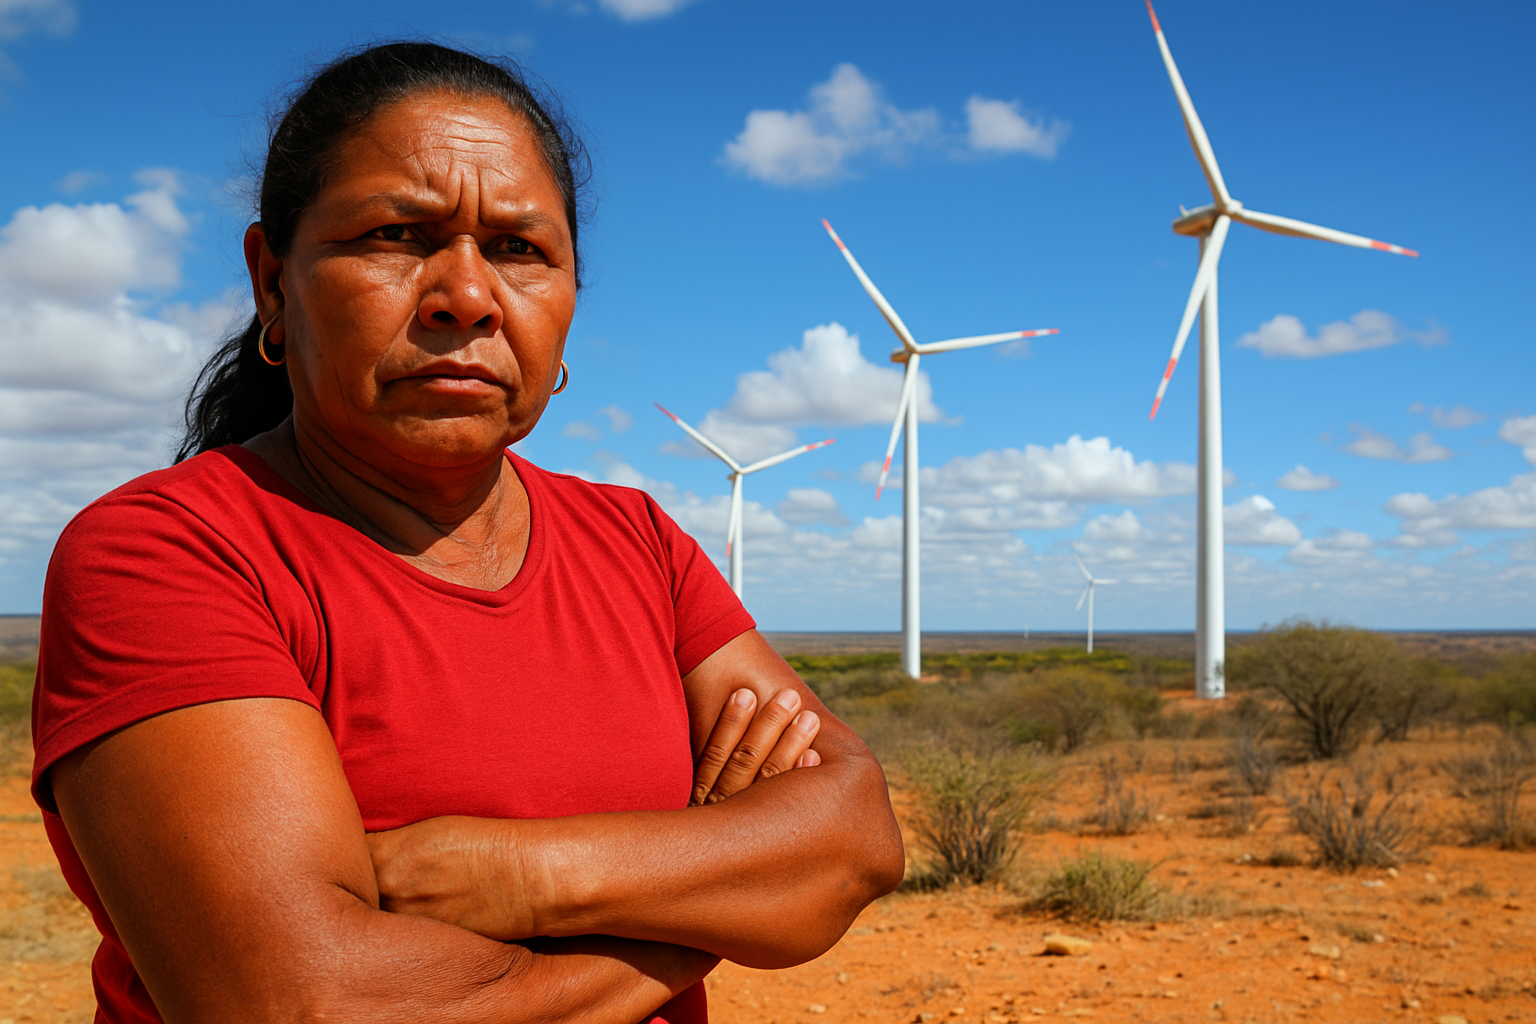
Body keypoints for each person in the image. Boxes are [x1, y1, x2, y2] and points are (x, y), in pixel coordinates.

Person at [30, 42, 905, 1024]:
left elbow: (855, 833)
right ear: (272, 282)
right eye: (400, 234)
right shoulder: (166, 553)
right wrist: (715, 899)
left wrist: (513, 873)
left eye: (521, 248)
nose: (469, 297)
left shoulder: (638, 543)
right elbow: (308, 1003)